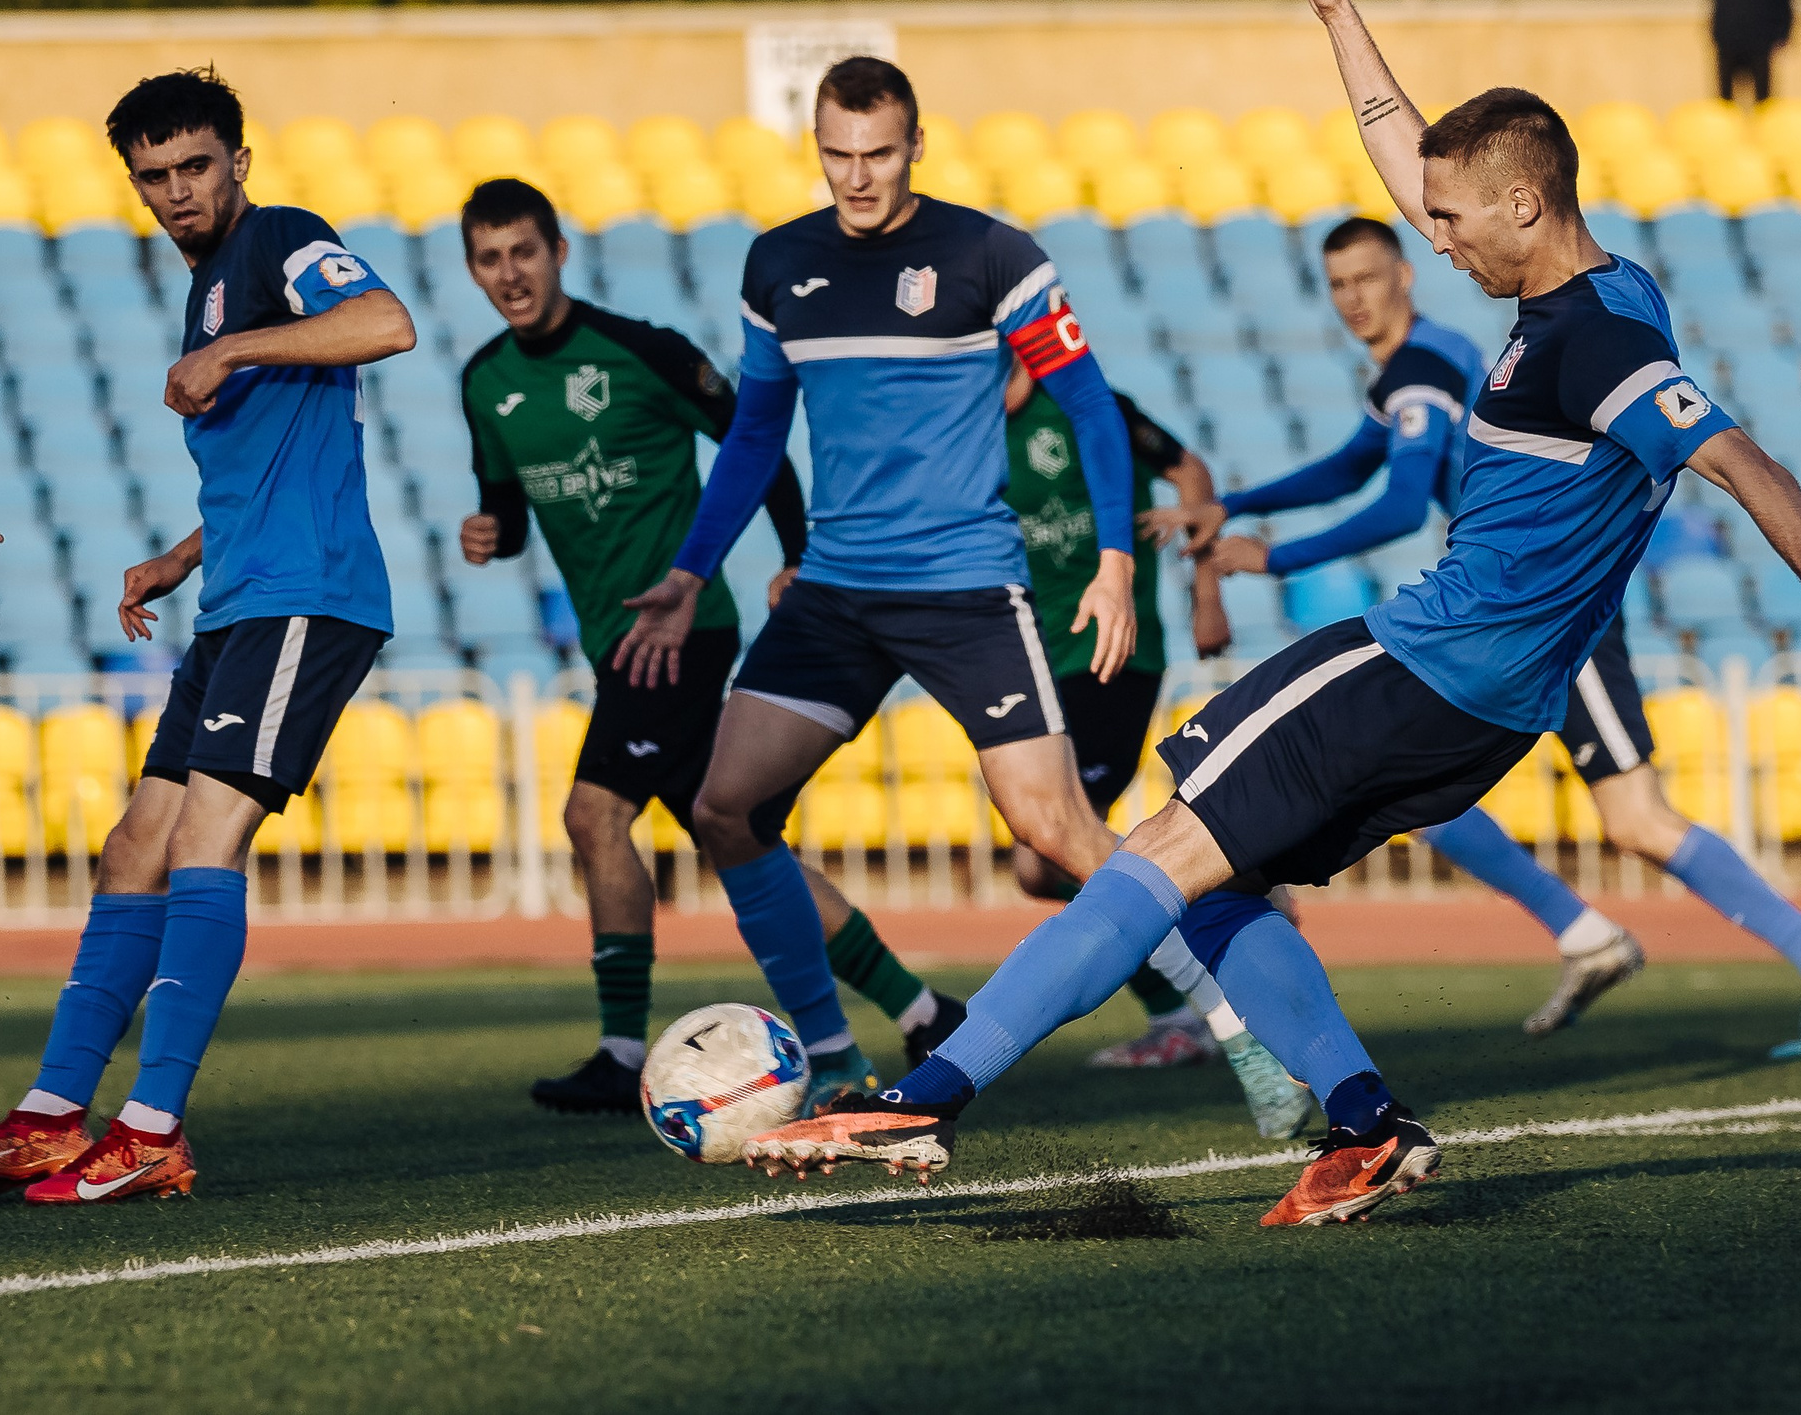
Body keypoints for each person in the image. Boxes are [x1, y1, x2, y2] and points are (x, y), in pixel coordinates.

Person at [740, 0, 1801, 1229]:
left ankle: (930, 1091)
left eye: (1451, 220)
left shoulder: (1593, 341)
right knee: (1223, 879)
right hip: (1492, 707)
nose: (1434, 238)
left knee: (1162, 847)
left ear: (1524, 205)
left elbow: (1738, 455)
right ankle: (1364, 1124)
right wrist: (1335, 11)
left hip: (1418, 661)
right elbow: (1416, 159)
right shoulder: (1602, 286)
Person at [1172, 215, 1801, 1055]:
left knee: (1636, 818)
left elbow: (1401, 501)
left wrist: (1276, 556)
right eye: (1336, 284)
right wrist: (1240, 506)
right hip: (1502, 616)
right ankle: (1596, 935)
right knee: (1428, 798)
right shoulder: (1414, 366)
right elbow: (1350, 463)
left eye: (1366, 277)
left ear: (1406, 272)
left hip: (1543, 617)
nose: (1352, 299)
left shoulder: (1426, 368)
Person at [0, 68, 415, 1203]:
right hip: (234, 597)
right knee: (133, 846)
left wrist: (232, 353)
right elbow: (268, 458)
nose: (178, 191)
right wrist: (181, 557)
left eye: (196, 166)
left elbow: (388, 322)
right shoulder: (208, 287)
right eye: (155, 177)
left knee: (202, 841)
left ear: (239, 161)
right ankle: (50, 1115)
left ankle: (151, 1130)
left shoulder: (282, 238)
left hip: (308, 598)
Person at [614, 55, 1143, 1114]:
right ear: (815, 149)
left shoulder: (991, 254)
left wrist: (1115, 563)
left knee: (1055, 830)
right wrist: (688, 572)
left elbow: (1090, 407)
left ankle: (1236, 1019)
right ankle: (831, 1057)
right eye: (836, 156)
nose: (857, 177)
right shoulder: (777, 266)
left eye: (878, 154)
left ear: (915, 146)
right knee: (723, 808)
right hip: (836, 594)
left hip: (963, 588)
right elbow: (757, 435)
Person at [453, 177, 964, 1115]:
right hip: (616, 643)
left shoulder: (642, 351)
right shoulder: (484, 381)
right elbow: (511, 511)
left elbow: (755, 442)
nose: (509, 273)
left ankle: (618, 1049)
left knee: (593, 814)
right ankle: (925, 1008)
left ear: (559, 251)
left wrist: (797, 556)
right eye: (488, 258)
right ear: (471, 268)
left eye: (523, 251)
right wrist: (491, 532)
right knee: (744, 842)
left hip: (680, 633)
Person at [999, 365, 1312, 1137]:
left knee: (1055, 853)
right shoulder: (966, 420)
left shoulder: (1082, 404)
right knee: (1044, 862)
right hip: (1035, 661)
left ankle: (1200, 1003)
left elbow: (1188, 470)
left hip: (1112, 655)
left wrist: (1206, 589)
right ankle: (1227, 908)